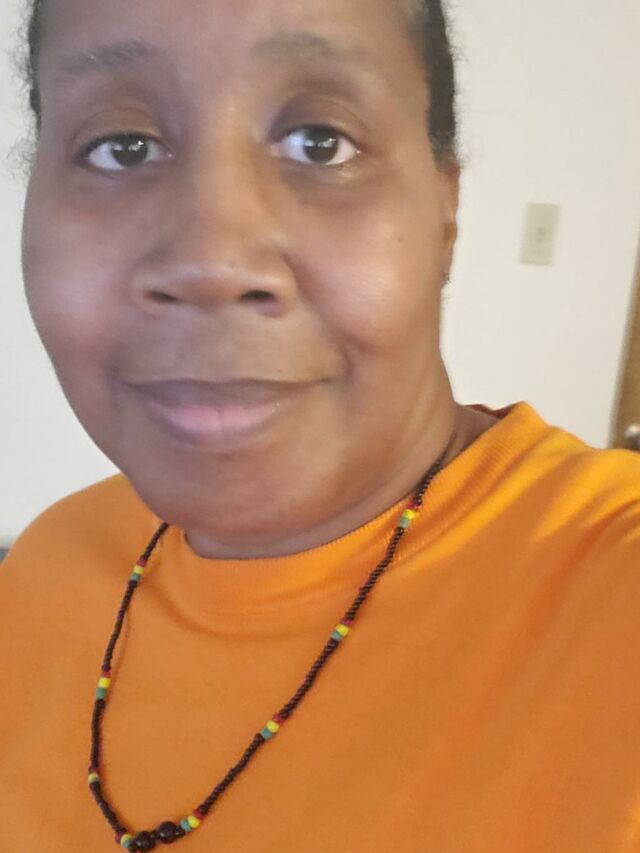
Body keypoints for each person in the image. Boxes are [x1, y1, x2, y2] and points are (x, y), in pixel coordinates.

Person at [2, 0, 640, 850]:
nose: (212, 261)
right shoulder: (49, 561)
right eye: (123, 148)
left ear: (445, 209)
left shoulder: (608, 588)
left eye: (320, 142)